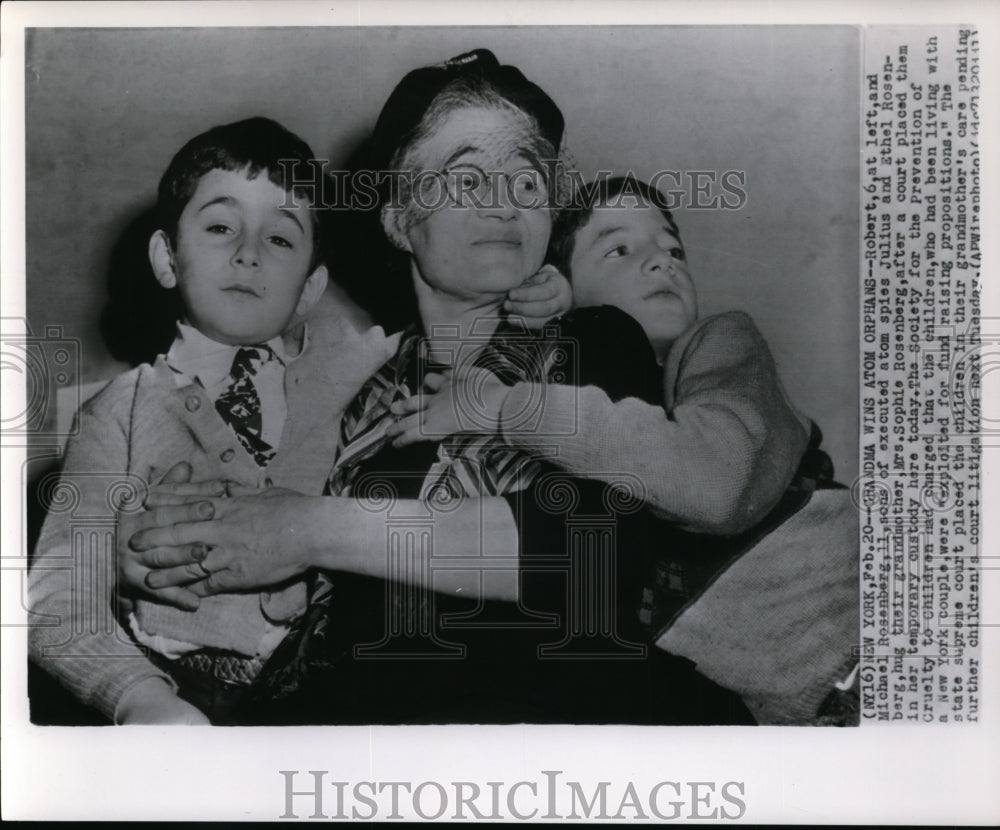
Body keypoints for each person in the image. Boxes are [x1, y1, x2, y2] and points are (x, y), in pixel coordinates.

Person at [120, 52, 753, 725]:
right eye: (469, 179)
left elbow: (592, 553)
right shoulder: (353, 394)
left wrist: (309, 527)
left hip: (556, 721)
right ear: (398, 218)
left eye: (529, 183)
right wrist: (162, 554)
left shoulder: (591, 340)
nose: (506, 203)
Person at [387, 175, 859, 724]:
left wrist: (502, 407)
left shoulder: (719, 343)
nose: (665, 262)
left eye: (673, 247)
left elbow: (717, 482)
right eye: (620, 248)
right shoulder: (574, 408)